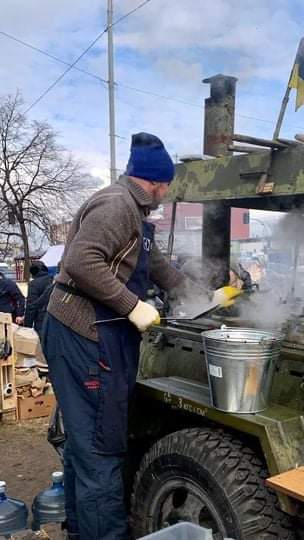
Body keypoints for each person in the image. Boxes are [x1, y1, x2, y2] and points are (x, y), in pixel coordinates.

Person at [42, 132, 185, 540]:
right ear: (158, 182)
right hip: (85, 333)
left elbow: (160, 269)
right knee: (100, 447)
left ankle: (80, 530)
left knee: (85, 444)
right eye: (168, 185)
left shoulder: (136, 216)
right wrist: (132, 306)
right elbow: (81, 261)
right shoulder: (117, 205)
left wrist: (202, 293)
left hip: (88, 332)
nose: (168, 192)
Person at [24, 261, 53, 338]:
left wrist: (27, 328)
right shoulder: (53, 280)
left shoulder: (34, 284)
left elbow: (31, 307)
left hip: (42, 321)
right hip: (56, 320)